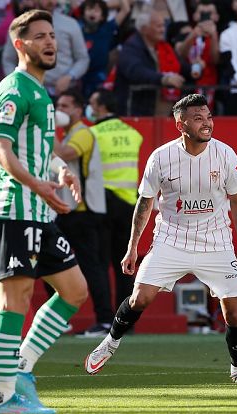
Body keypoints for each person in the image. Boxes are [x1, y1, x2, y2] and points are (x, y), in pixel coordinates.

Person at [83, 94, 237, 384]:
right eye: (198, 119)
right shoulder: (161, 157)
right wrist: (132, 248)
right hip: (171, 238)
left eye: (209, 117)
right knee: (140, 298)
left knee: (235, 314)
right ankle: (110, 343)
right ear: (181, 124)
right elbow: (145, 203)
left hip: (216, 240)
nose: (207, 124)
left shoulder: (225, 154)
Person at [0, 9, 88, 414]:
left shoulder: (41, 92)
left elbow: (39, 152)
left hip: (40, 213)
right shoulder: (13, 89)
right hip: (15, 209)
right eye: (40, 36)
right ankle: (4, 397)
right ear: (19, 45)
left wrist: (60, 169)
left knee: (75, 291)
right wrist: (39, 186)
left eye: (52, 35)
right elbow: (1, 150)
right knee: (15, 301)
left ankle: (23, 367)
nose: (50, 42)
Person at [52, 90, 111, 337]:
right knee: (51, 260)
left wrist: (48, 130)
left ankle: (106, 321)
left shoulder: (83, 132)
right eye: (58, 106)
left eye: (65, 106)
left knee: (91, 267)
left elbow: (66, 155)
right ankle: (57, 318)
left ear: (78, 109)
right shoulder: (69, 133)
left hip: (84, 211)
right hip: (70, 210)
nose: (60, 110)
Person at [87, 88, 143, 336]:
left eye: (92, 103)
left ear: (99, 107)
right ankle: (125, 322)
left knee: (99, 264)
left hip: (103, 203)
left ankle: (103, 319)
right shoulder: (133, 134)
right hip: (129, 205)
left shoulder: (92, 134)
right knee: (125, 266)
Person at [2, 0, 90, 97]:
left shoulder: (70, 24)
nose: (51, 1)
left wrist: (70, 76)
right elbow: (8, 59)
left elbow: (83, 58)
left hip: (66, 93)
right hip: (30, 93)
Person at [114, 10, 189, 116]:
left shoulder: (164, 47)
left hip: (164, 116)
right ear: (144, 29)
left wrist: (197, 67)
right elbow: (136, 71)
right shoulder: (130, 48)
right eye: (159, 26)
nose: (163, 30)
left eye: (163, 26)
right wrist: (164, 79)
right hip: (137, 113)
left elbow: (182, 67)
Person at [78, 0, 131, 97]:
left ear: (102, 17)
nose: (92, 12)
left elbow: (125, 10)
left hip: (98, 76)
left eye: (97, 10)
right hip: (79, 76)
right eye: (89, 9)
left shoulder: (107, 28)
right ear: (83, 13)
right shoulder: (76, 28)